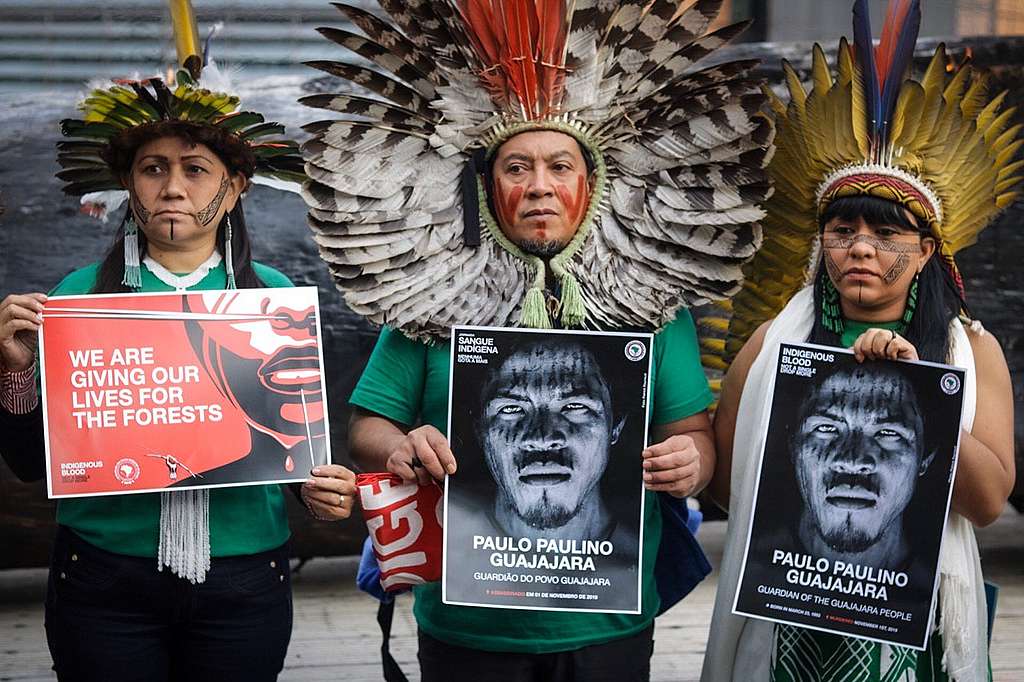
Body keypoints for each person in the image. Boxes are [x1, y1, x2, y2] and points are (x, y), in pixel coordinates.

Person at [300, 1, 774, 679]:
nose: (540, 186)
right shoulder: (432, 299)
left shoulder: (651, 309)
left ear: (593, 183)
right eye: (517, 168)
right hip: (467, 622)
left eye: (560, 166)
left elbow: (691, 433)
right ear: (488, 187)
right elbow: (369, 424)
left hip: (607, 618)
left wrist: (689, 464)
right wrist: (401, 445)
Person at [0, 67, 355, 682]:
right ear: (127, 184)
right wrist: (14, 373)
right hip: (104, 575)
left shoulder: (271, 301)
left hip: (244, 579)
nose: (172, 187)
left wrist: (321, 495)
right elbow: (34, 463)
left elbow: (289, 445)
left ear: (236, 186)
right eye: (153, 168)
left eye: (195, 169)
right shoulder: (78, 300)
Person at [701, 1, 1018, 679]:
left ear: (928, 249)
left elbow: (990, 504)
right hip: (785, 622)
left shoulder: (971, 350)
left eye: (886, 235)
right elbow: (731, 487)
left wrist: (915, 394)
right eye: (842, 231)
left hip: (915, 628)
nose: (861, 249)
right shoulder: (770, 345)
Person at [473, 338, 628, 541]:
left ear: (615, 426)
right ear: (479, 432)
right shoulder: (448, 549)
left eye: (575, 407)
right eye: (510, 409)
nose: (542, 439)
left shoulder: (644, 560)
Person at [788, 364, 934, 570]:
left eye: (889, 433)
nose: (852, 463)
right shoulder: (746, 573)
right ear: (792, 447)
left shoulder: (941, 590)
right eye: (826, 428)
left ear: (925, 457)